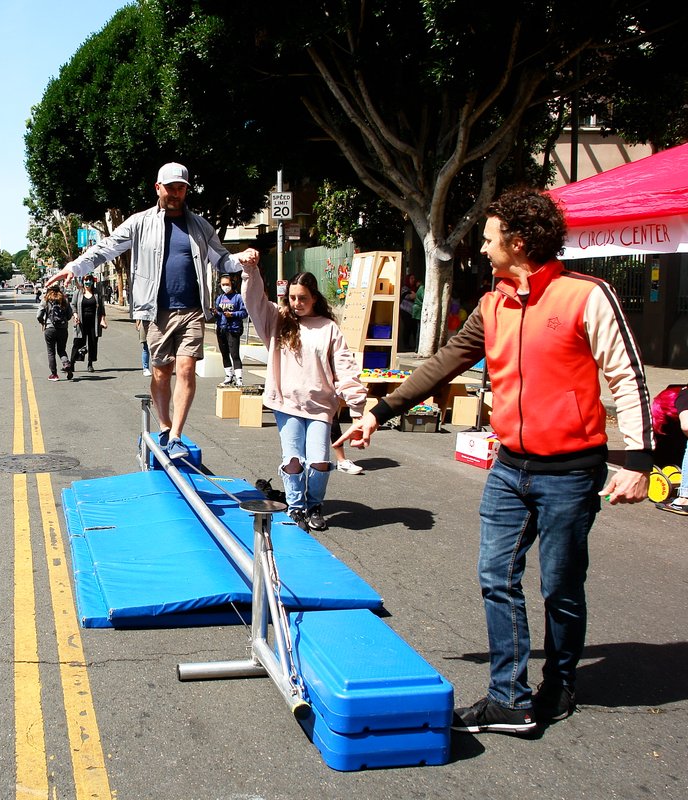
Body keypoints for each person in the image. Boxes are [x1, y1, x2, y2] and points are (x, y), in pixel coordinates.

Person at [339, 187, 653, 735]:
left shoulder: (586, 296)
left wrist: (636, 459)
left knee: (560, 585)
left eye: (489, 239)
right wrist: (380, 410)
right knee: (495, 575)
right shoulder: (494, 304)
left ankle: (558, 685)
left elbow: (627, 376)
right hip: (510, 466)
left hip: (571, 470)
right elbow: (444, 362)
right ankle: (509, 696)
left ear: (520, 240)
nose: (483, 249)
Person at [46, 162, 260, 458]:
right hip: (156, 311)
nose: (175, 193)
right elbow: (107, 248)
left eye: (181, 188)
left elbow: (222, 260)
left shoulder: (200, 226)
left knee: (186, 370)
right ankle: (164, 425)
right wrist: (74, 266)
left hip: (191, 310)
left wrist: (242, 258)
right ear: (157, 188)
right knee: (161, 373)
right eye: (170, 187)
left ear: (186, 190)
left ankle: (176, 435)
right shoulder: (139, 223)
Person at [241, 269, 366, 531]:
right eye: (292, 298)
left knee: (320, 461)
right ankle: (297, 506)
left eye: (303, 298)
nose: (297, 303)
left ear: (314, 297)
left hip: (320, 406)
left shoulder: (328, 327)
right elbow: (254, 301)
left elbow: (344, 365)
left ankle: (314, 505)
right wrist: (250, 271)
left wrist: (356, 407)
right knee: (294, 459)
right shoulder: (277, 320)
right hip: (287, 404)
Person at [652, 384, 688, 515]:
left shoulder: (684, 394)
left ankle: (684, 500)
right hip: (666, 421)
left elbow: (686, 426)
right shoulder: (682, 395)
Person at [214, 273, 248, 387]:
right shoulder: (220, 298)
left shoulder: (238, 297)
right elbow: (219, 313)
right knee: (224, 354)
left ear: (232, 284)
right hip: (221, 328)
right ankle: (228, 376)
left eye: (227, 284)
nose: (225, 286)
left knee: (234, 354)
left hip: (233, 329)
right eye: (223, 284)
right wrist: (215, 312)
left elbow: (244, 312)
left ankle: (239, 378)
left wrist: (232, 314)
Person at [70, 276, 107, 374]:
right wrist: (75, 315)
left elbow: (102, 308)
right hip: (81, 322)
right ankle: (72, 363)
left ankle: (90, 364)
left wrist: (102, 320)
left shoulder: (97, 293)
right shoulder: (78, 293)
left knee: (93, 343)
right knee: (77, 342)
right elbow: (73, 305)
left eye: (90, 280)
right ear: (83, 281)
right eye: (86, 280)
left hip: (93, 322)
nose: (88, 282)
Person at [37, 284, 73, 381]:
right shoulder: (64, 300)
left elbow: (39, 315)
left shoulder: (46, 300)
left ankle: (54, 374)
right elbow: (70, 315)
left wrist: (42, 322)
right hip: (63, 329)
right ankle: (66, 364)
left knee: (51, 352)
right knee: (61, 350)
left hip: (50, 329)